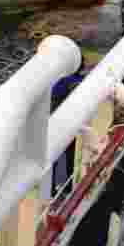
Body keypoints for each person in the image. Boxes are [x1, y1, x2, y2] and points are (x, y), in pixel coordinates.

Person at [50, 62, 86, 191]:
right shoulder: (82, 82)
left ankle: (52, 189)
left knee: (54, 157)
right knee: (70, 155)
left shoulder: (59, 82)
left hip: (56, 123)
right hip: (72, 124)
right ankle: (67, 187)